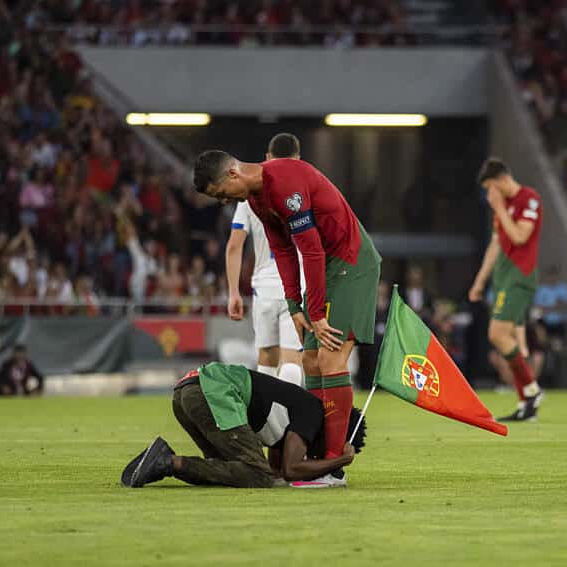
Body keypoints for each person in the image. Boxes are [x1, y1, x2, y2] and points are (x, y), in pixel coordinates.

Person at [193, 149, 381, 487]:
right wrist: (295, 306)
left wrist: (315, 312)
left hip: (351, 263)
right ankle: (316, 452)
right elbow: (283, 250)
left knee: (330, 356)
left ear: (233, 174)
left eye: (221, 194)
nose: (223, 202)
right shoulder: (256, 201)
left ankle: (332, 466)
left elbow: (311, 249)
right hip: (325, 269)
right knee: (309, 360)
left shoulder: (285, 183)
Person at [122, 362, 366, 489]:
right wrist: (339, 461)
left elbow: (279, 469)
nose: (319, 454)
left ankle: (157, 461)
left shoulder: (296, 417)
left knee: (230, 472)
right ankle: (168, 462)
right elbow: (291, 470)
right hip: (213, 394)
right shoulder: (313, 411)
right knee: (258, 477)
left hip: (188, 392)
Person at [468, 157, 544, 422]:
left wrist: (500, 208)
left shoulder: (528, 199)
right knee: (511, 343)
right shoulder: (502, 208)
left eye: (490, 188)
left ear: (501, 181)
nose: (489, 195)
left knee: (497, 335)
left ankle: (532, 390)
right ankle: (527, 404)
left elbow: (521, 236)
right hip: (503, 278)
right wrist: (479, 282)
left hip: (519, 276)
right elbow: (496, 245)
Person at [226, 133, 303, 387]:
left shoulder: (249, 194)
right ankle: (289, 421)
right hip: (298, 287)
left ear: (267, 157)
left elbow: (234, 246)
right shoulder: (306, 190)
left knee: (267, 359)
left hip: (265, 289)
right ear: (298, 159)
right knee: (293, 360)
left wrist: (233, 292)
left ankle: (267, 423)